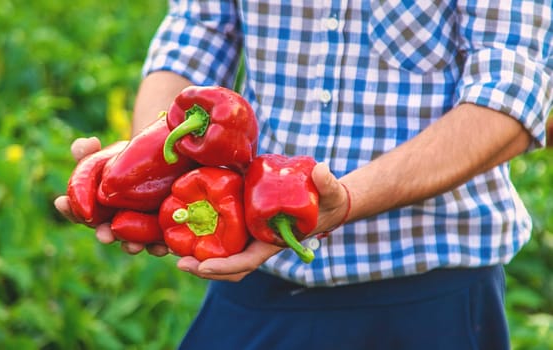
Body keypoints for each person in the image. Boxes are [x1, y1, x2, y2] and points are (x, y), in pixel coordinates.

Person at [55, 1, 553, 349]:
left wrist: (347, 200)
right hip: (258, 278)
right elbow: (196, 31)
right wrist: (148, 165)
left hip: (432, 293)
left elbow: (510, 96)